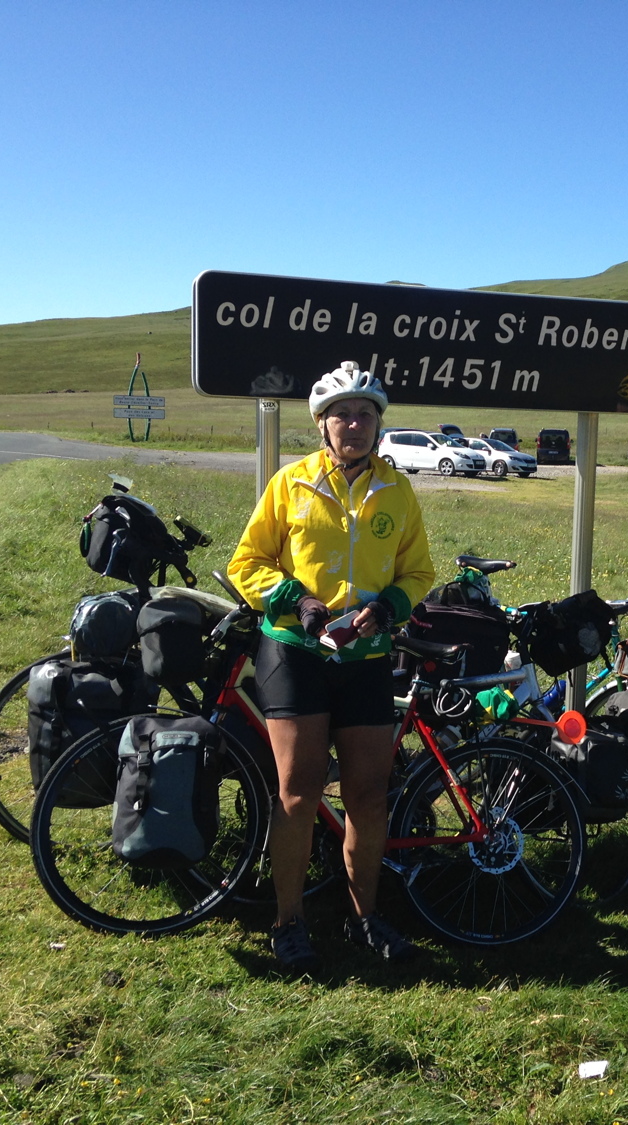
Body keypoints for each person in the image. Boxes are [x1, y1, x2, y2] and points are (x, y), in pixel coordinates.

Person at [228, 362, 435, 972]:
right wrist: (297, 600)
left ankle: (364, 917)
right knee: (298, 792)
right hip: (295, 653)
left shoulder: (397, 491)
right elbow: (248, 562)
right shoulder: (291, 484)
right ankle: (288, 922)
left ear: (378, 424)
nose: (354, 423)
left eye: (366, 414)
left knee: (369, 797)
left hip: (366, 658)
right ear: (322, 425)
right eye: (342, 414)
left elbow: (418, 571)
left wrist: (391, 607)